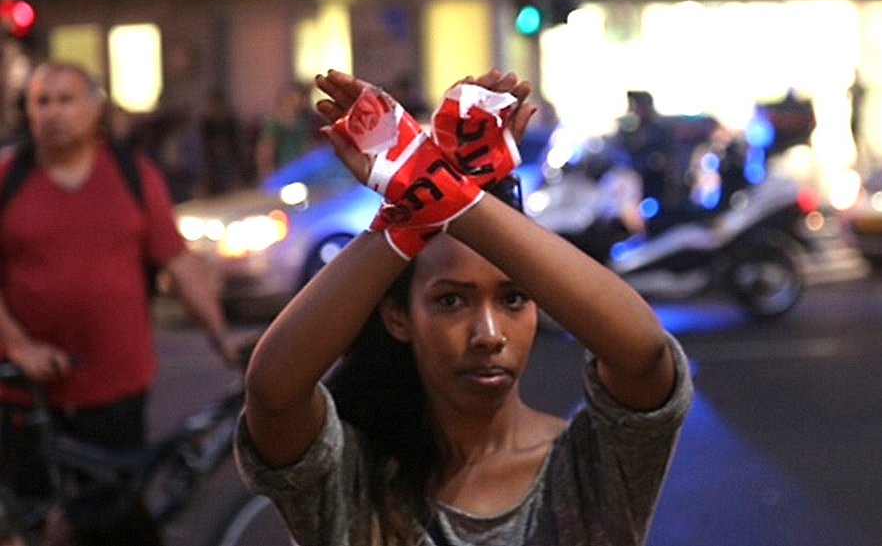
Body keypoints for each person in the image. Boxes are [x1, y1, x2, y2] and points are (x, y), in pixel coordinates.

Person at [235, 69, 693, 546]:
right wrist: (413, 213)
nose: (489, 334)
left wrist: (441, 191)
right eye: (451, 301)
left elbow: (644, 352)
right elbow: (271, 394)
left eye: (513, 299)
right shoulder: (355, 478)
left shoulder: (588, 465)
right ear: (397, 316)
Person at [0, 61, 246, 545]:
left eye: (66, 99)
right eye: (41, 101)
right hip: (28, 397)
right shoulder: (8, 178)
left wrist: (220, 336)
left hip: (115, 391)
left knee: (113, 528)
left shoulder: (134, 176)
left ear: (95, 109)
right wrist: (18, 346)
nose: (53, 112)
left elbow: (179, 263)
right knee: (34, 527)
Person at [254, 80, 320, 181]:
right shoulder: (274, 124)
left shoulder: (302, 123)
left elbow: (306, 148)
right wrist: (269, 177)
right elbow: (266, 152)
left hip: (299, 173)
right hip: (281, 173)